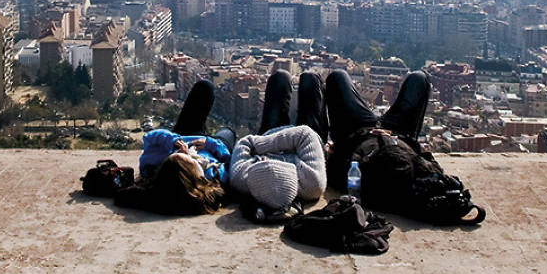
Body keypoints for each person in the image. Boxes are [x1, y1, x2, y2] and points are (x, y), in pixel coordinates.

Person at [115, 79, 233, 215]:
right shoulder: (212, 177)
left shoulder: (152, 167)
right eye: (188, 158)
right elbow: (231, 163)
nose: (185, 151)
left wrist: (173, 142)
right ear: (195, 175)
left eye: (177, 154)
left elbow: (150, 137)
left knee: (204, 87)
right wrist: (211, 144)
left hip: (183, 135)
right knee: (228, 133)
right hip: (210, 145)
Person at [230, 70, 327, 212]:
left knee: (280, 77)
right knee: (310, 78)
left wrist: (268, 146)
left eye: (262, 162)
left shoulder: (241, 180)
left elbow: (244, 143)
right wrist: (263, 148)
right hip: (309, 140)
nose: (264, 159)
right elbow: (304, 134)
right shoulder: (311, 185)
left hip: (271, 134)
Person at [324, 68, 431, 190]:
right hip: (397, 134)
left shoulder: (356, 180)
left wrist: (335, 149)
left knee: (337, 76)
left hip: (358, 133)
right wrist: (394, 138)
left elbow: (336, 167)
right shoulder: (413, 178)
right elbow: (429, 164)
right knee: (419, 78)